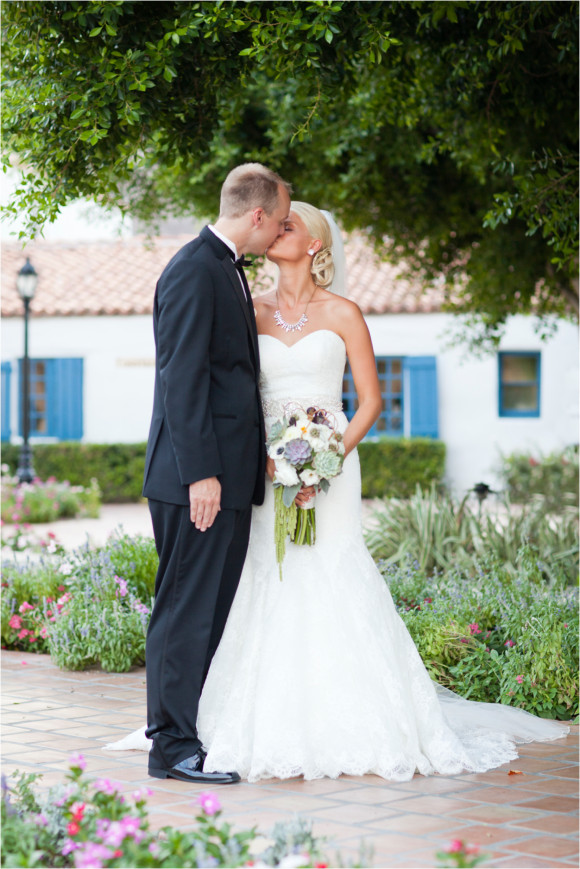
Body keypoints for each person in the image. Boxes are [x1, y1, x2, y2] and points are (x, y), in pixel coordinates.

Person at [108, 202, 568, 781]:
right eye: (276, 222)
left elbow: (371, 401)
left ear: (316, 246)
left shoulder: (345, 313)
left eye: (290, 225)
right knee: (263, 580)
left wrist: (325, 462)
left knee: (330, 574)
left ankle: (354, 717)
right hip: (265, 471)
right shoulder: (247, 310)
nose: (278, 229)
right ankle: (227, 721)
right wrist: (268, 462)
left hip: (330, 469)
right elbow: (221, 386)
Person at [141, 163, 291, 784]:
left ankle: (190, 735)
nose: (281, 229)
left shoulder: (223, 268)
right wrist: (202, 472)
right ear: (257, 215)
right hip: (195, 482)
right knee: (185, 611)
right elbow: (181, 378)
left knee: (210, 611)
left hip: (227, 480)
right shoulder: (193, 269)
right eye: (279, 220)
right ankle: (171, 749)